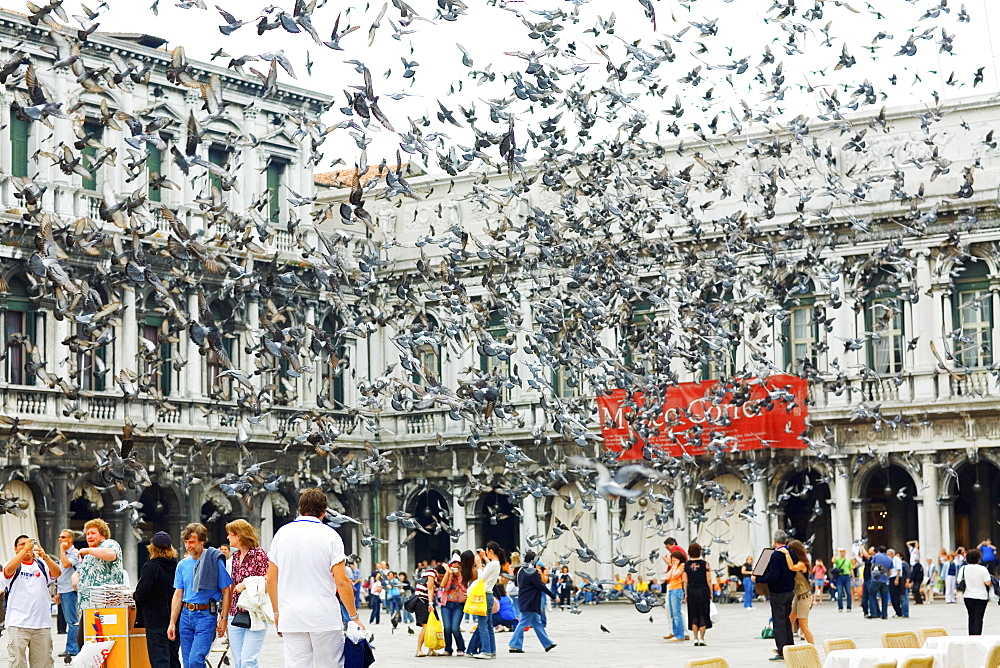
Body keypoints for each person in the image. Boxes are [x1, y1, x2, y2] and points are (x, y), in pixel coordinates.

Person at [266, 488, 363, 667]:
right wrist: (353, 616)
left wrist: (276, 612)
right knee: (330, 664)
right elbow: (342, 581)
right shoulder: (330, 536)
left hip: (291, 615)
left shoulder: (281, 534)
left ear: (299, 509)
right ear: (324, 512)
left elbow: (271, 579)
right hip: (323, 616)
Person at [168, 523, 232, 667]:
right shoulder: (182, 565)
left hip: (205, 616)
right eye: (186, 542)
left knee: (195, 661)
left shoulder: (213, 561)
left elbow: (226, 590)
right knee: (187, 663)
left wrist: (224, 618)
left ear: (202, 541)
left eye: (191, 542)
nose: (188, 546)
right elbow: (178, 594)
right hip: (185, 615)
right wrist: (172, 622)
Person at [4, 534, 62, 668]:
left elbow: (57, 573)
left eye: (29, 544)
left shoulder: (42, 565)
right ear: (15, 549)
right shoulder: (12, 564)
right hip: (18, 624)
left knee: (43, 664)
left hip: (41, 624)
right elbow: (8, 571)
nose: (26, 547)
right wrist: (25, 550)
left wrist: (45, 556)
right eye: (22, 544)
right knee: (17, 663)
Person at [226, 519, 270, 668]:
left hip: (255, 612)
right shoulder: (235, 557)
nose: (228, 538)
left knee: (248, 661)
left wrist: (246, 584)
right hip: (235, 611)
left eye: (230, 534)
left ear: (239, 535)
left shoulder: (259, 554)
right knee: (238, 661)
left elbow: (268, 580)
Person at [75, 518, 125, 652]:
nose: (89, 536)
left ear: (102, 534)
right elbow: (80, 572)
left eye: (92, 533)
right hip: (88, 606)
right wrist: (75, 579)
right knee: (83, 641)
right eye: (87, 534)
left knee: (102, 642)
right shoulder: (90, 553)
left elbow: (110, 555)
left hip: (105, 606)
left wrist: (88, 550)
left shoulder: (109, 544)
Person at [134, 532, 181, 668]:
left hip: (155, 620)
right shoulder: (177, 566)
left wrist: (134, 596)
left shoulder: (151, 567)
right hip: (174, 618)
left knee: (159, 659)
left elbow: (141, 594)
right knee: (173, 658)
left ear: (152, 548)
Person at [753, 531, 795, 662]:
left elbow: (774, 576)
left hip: (778, 592)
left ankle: (782, 651)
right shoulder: (791, 553)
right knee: (787, 620)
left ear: (775, 541)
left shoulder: (775, 555)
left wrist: (758, 579)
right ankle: (790, 648)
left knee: (779, 621)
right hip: (789, 591)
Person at [508, 552, 556, 654]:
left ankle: (547, 644)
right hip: (530, 602)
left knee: (537, 623)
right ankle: (514, 645)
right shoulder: (532, 572)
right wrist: (553, 596)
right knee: (523, 623)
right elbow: (541, 586)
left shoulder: (521, 570)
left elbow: (516, 583)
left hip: (524, 600)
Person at [467, 542, 504, 660]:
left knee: (483, 624)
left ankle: (486, 651)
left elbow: (481, 578)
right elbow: (489, 568)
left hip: (484, 595)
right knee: (488, 624)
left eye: (487, 551)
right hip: (489, 595)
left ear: (491, 551)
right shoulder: (496, 564)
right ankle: (491, 650)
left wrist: (478, 567)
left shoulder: (493, 564)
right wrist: (483, 558)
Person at [440, 551, 474, 656]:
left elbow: (464, 587)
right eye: (453, 563)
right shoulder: (448, 573)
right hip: (446, 604)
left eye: (457, 564)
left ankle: (461, 648)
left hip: (458, 604)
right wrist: (448, 573)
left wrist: (459, 575)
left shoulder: (464, 574)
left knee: (455, 627)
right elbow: (443, 585)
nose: (455, 566)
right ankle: (448, 648)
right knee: (447, 627)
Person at [782, 540, 814, 645]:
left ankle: (812, 647)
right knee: (789, 621)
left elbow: (792, 567)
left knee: (803, 625)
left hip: (805, 596)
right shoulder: (798, 562)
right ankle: (786, 645)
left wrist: (786, 554)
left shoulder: (802, 564)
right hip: (798, 596)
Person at [56, 529, 81, 663]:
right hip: (64, 589)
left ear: (70, 539)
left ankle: (72, 648)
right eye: (59, 537)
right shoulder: (65, 553)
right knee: (68, 620)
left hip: (71, 591)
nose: (60, 539)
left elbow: (66, 564)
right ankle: (70, 647)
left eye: (63, 537)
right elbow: (62, 573)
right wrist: (58, 591)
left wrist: (61, 550)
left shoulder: (74, 553)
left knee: (72, 621)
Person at [683, 543, 712, 647]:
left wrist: (686, 593)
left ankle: (695, 638)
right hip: (703, 589)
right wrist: (711, 592)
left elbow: (685, 580)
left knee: (693, 614)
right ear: (700, 551)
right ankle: (702, 638)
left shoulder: (686, 565)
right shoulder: (705, 564)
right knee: (703, 614)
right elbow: (708, 579)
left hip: (691, 589)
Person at [959, 548, 992, 635]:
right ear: (978, 558)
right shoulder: (983, 569)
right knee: (979, 618)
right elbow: (988, 583)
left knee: (971, 617)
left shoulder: (963, 568)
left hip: (968, 595)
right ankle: (977, 636)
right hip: (981, 596)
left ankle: (971, 635)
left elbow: (959, 581)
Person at [412, 558, 439, 657]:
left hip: (427, 601)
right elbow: (430, 588)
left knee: (433, 625)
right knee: (426, 626)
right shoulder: (432, 573)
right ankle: (418, 650)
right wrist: (431, 604)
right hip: (422, 601)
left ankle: (431, 649)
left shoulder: (432, 573)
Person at [664, 551, 687, 641]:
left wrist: (676, 565)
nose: (672, 559)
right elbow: (668, 576)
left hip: (677, 590)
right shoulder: (675, 566)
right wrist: (673, 565)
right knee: (673, 613)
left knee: (677, 613)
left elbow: (675, 575)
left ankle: (680, 635)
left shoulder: (682, 566)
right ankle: (675, 632)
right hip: (671, 589)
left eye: (674, 558)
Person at [869, 546, 893, 619]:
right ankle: (884, 614)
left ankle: (874, 613)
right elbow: (890, 571)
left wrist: (872, 575)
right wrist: (887, 577)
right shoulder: (889, 559)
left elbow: (872, 566)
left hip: (876, 579)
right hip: (885, 580)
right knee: (884, 597)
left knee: (872, 594)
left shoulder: (876, 556)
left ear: (878, 551)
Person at [831, 547, 855, 612]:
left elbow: (851, 569)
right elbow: (833, 561)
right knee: (840, 592)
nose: (842, 553)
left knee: (848, 593)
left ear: (845, 552)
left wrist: (853, 578)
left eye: (843, 551)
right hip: (839, 577)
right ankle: (840, 607)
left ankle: (849, 607)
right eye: (841, 551)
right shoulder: (838, 560)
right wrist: (835, 554)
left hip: (847, 576)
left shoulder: (848, 560)